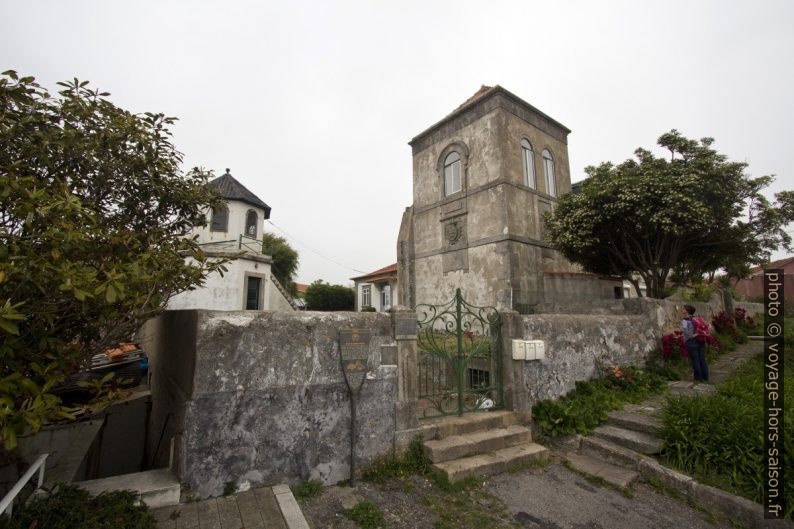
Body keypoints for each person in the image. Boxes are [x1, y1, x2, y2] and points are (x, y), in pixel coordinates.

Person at [682, 304, 709, 382]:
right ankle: (705, 377)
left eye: (683, 309)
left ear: (687, 311)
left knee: (695, 360)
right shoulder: (697, 318)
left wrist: (684, 338)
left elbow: (688, 334)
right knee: (702, 359)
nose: (682, 310)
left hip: (692, 342)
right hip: (701, 340)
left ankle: (698, 378)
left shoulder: (685, 320)